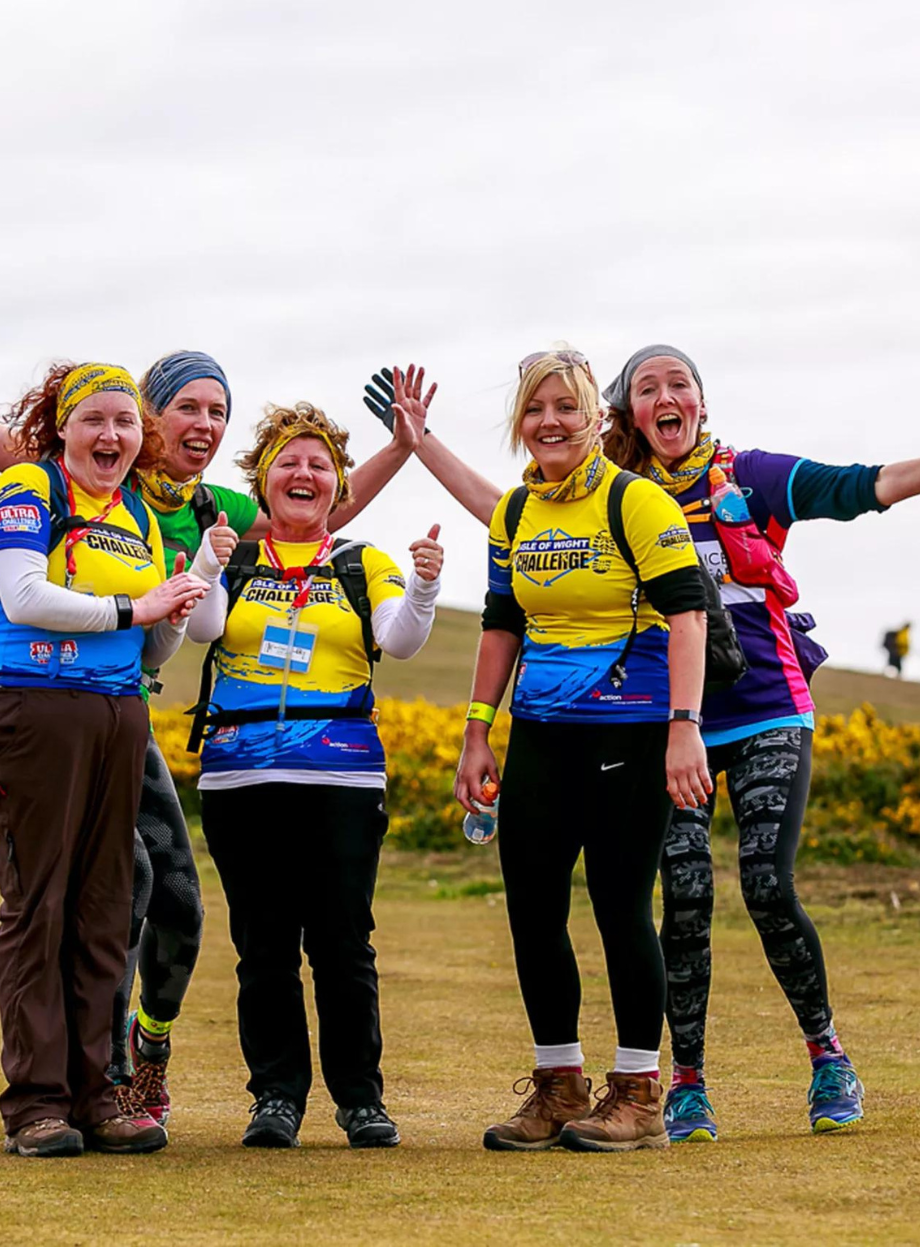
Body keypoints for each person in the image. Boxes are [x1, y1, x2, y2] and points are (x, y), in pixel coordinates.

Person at [0, 262, 418, 1129]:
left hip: (124, 708)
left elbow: (314, 506)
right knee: (116, 888)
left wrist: (402, 447)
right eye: (188, 407)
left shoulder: (211, 504)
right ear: (149, 416)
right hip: (44, 700)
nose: (206, 425)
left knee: (171, 899)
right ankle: (90, 1079)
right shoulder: (75, 473)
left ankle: (146, 1047)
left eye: (218, 411)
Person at [601, 345, 920, 1140]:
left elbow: (858, 487)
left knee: (767, 885)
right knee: (686, 900)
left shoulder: (752, 476)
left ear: (702, 406)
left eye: (681, 385)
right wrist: (420, 447)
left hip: (771, 709)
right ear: (632, 414)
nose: (667, 397)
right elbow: (517, 520)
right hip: (670, 726)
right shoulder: (614, 499)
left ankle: (829, 1059)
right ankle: (688, 1085)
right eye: (649, 388)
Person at [455, 348, 709, 1153]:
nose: (551, 422)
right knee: (532, 906)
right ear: (519, 424)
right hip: (540, 733)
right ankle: (560, 1085)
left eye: (567, 407)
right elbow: (503, 624)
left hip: (633, 731)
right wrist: (476, 731)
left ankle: (638, 1093)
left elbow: (688, 615)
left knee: (618, 904)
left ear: (597, 417)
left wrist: (684, 725)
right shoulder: (516, 515)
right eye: (535, 409)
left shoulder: (635, 501)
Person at [0, 360, 209, 1156]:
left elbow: (153, 639)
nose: (111, 434)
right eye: (95, 419)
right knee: (41, 903)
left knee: (107, 903)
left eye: (126, 423)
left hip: (116, 712)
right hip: (26, 704)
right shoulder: (27, 490)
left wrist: (183, 590)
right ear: (62, 426)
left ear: (143, 439)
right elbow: (24, 594)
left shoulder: (134, 510)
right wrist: (138, 603)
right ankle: (36, 1105)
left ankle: (97, 1094)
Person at [188, 402, 444, 1150]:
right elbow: (200, 630)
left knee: (341, 941)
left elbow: (399, 641)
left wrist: (425, 585)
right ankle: (275, 1098)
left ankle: (360, 1099)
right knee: (262, 946)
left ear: (337, 486)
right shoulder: (232, 558)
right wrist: (206, 563)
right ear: (262, 479)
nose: (304, 474)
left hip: (341, 779)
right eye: (288, 462)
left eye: (320, 464)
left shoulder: (361, 562)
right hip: (239, 780)